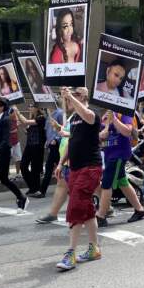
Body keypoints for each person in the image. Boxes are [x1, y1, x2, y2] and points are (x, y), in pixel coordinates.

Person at [54, 87, 103, 271]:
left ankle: (70, 253)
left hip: (90, 168)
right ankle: (94, 248)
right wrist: (61, 163)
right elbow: (72, 142)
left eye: (77, 94)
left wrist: (70, 98)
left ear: (85, 97)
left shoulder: (92, 114)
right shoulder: (74, 118)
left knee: (75, 206)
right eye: (72, 94)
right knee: (87, 209)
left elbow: (87, 115)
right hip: (74, 168)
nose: (73, 97)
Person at [96, 111, 144, 226]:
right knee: (122, 181)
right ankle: (140, 209)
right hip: (109, 154)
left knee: (106, 183)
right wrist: (101, 135)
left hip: (119, 154)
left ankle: (101, 215)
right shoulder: (104, 115)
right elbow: (100, 135)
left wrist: (114, 119)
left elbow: (127, 131)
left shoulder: (124, 113)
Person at [18, 106, 47, 195]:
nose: (29, 108)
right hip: (29, 145)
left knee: (35, 169)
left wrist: (17, 112)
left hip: (37, 146)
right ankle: (32, 186)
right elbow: (28, 129)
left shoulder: (41, 118)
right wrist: (24, 128)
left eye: (32, 106)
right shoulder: (33, 118)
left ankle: (35, 188)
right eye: (29, 106)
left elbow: (26, 121)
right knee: (23, 165)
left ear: (37, 108)